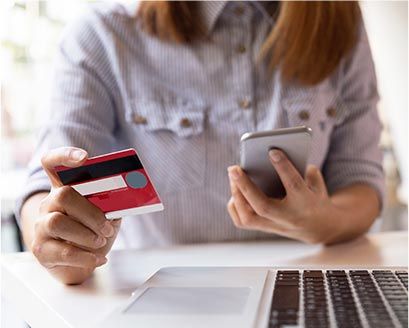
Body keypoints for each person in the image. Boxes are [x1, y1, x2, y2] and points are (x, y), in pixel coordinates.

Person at [18, 1, 384, 287]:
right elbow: (43, 193)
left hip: (306, 286)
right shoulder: (101, 35)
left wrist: (326, 222)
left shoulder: (341, 25)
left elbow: (362, 181)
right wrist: (58, 239)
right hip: (160, 297)